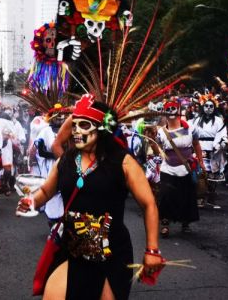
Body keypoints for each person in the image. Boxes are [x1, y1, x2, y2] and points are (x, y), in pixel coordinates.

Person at [17, 94, 162, 299]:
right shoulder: (66, 161)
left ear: (102, 129)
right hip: (74, 251)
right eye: (74, 125)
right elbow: (46, 191)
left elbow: (149, 205)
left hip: (111, 255)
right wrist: (31, 202)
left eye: (83, 125)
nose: (76, 131)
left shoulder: (123, 162)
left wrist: (152, 250)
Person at [156, 99, 204, 237]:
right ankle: (165, 224)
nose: (171, 111)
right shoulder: (161, 132)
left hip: (186, 168)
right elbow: (158, 149)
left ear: (178, 111)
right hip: (168, 169)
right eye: (168, 109)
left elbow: (196, 145)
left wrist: (200, 161)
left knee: (186, 196)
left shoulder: (191, 129)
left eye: (173, 108)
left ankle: (185, 222)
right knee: (166, 195)